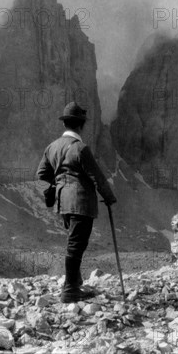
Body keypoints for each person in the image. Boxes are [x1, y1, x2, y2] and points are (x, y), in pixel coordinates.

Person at [36, 102, 117, 303]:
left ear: (65, 124)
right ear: (81, 125)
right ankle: (70, 290)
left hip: (63, 203)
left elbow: (41, 173)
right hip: (81, 202)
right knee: (76, 245)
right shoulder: (80, 148)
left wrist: (61, 181)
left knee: (74, 242)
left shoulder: (52, 147)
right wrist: (109, 197)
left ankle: (74, 282)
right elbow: (97, 176)